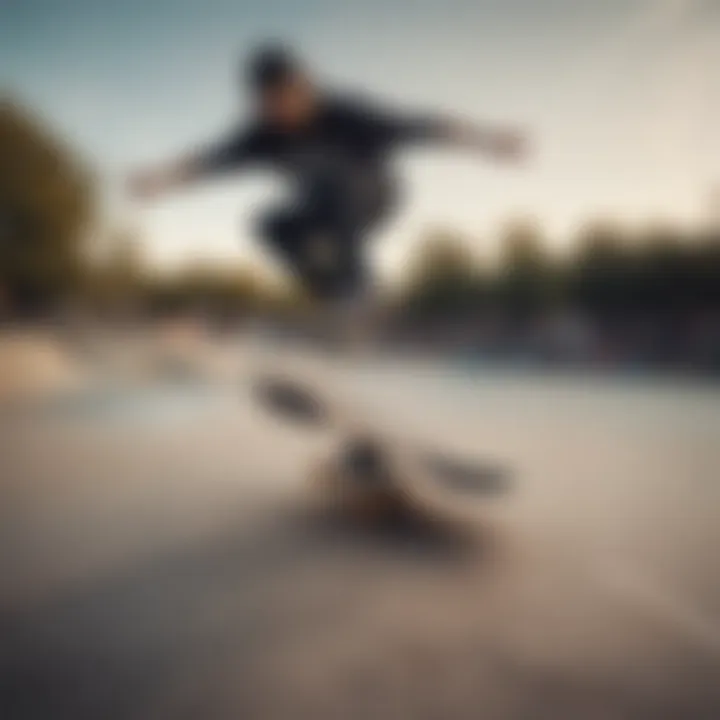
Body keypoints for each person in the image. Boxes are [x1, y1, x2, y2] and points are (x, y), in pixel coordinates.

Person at [128, 43, 527, 343]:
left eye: (288, 98)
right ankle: (330, 296)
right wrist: (160, 179)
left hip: (375, 196)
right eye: (270, 105)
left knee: (339, 189)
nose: (281, 111)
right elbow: (210, 162)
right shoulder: (263, 136)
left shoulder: (347, 114)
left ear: (304, 87)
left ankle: (360, 294)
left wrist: (489, 140)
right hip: (323, 211)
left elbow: (425, 126)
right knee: (269, 224)